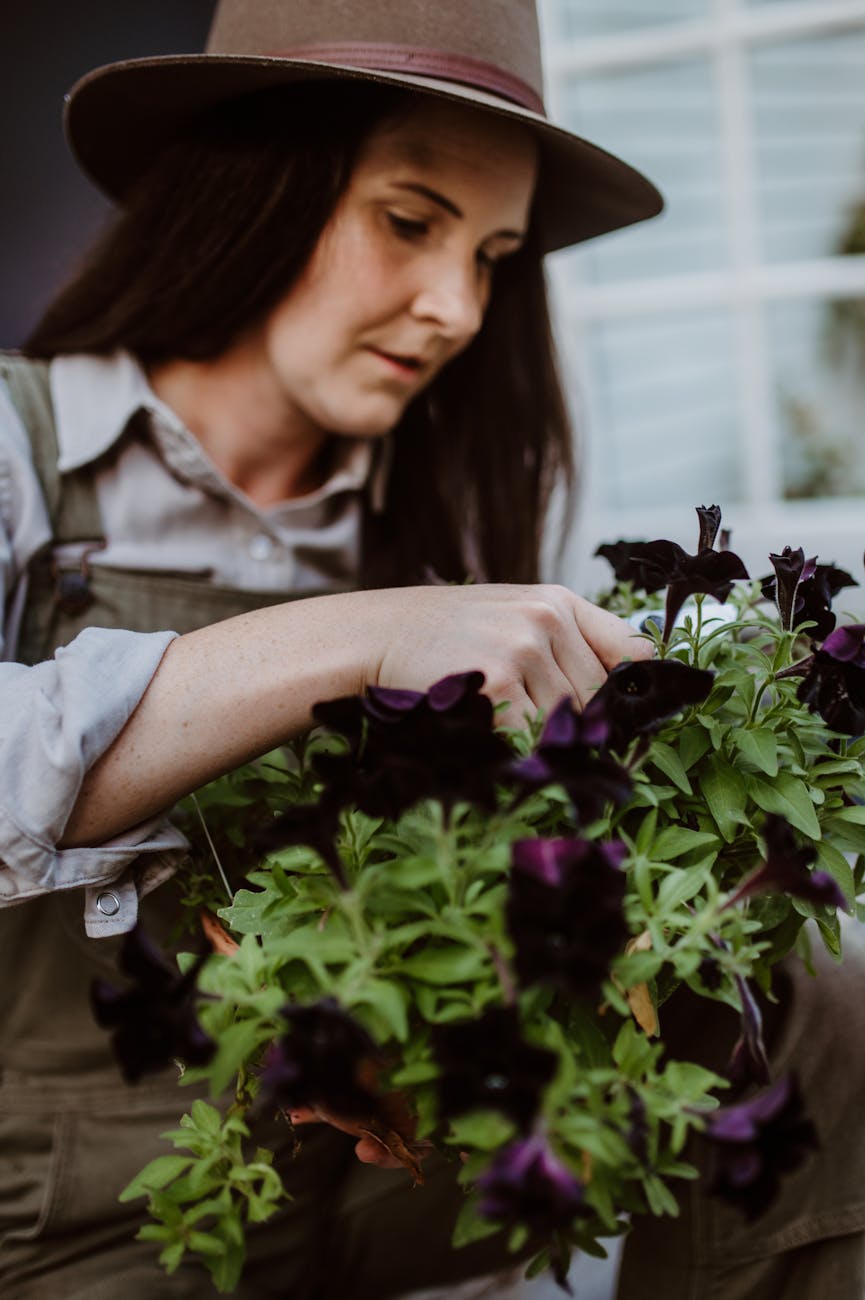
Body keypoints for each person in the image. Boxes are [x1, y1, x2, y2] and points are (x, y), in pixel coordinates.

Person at [1, 2, 864, 1298]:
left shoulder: (437, 520)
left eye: (494, 255)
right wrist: (360, 639)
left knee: (818, 1005)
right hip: (89, 1205)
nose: (456, 308)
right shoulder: (20, 443)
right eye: (409, 222)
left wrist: (624, 921)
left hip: (389, 1164)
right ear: (250, 185)